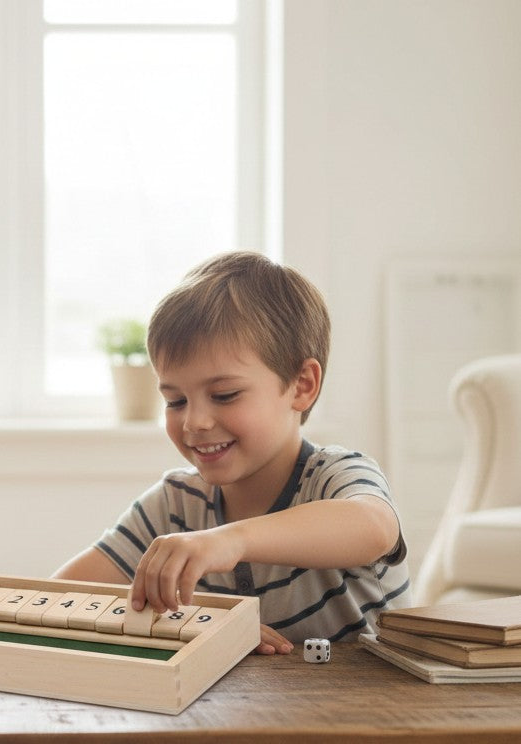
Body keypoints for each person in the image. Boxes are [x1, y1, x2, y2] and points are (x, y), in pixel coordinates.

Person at [54, 251, 411, 654]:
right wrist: (195, 621)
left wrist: (230, 541)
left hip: (369, 710)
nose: (194, 422)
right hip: (238, 714)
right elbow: (57, 598)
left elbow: (375, 528)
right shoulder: (174, 505)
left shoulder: (335, 475)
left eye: (224, 395)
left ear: (302, 385)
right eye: (175, 401)